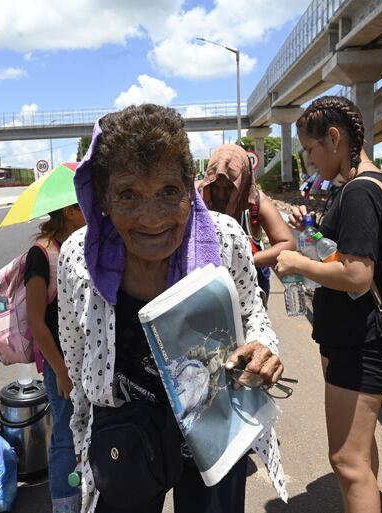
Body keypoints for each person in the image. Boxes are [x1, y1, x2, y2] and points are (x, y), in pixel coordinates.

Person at [58, 104, 288, 513]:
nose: (152, 219)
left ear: (189, 188)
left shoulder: (225, 239)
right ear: (104, 199)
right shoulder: (78, 257)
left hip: (216, 424)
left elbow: (253, 313)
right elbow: (76, 355)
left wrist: (262, 347)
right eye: (128, 194)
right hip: (125, 435)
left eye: (168, 192)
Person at [275, 96, 382, 513]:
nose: (309, 161)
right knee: (360, 454)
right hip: (356, 338)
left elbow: (357, 275)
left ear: (334, 138)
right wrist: (308, 230)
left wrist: (297, 261)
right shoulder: (371, 184)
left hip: (359, 343)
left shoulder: (359, 192)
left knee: (347, 462)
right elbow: (345, 255)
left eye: (310, 150)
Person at [24, 204, 86, 513]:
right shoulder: (43, 254)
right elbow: (36, 320)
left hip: (88, 359)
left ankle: (88, 495)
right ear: (72, 211)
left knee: (89, 429)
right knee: (65, 433)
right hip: (60, 363)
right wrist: (61, 371)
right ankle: (64, 504)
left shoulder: (85, 244)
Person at [198, 144, 296, 305]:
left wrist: (240, 260)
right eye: (215, 186)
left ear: (243, 183)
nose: (221, 195)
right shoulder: (198, 196)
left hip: (248, 289)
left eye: (230, 188)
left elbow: (287, 244)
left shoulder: (256, 202)